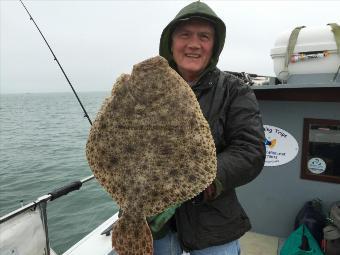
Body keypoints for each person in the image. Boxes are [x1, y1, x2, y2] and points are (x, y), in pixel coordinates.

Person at [148, 1, 266, 255]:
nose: (193, 44)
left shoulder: (235, 90)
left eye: (204, 36)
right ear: (171, 42)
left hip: (213, 226)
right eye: (185, 35)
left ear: (214, 45)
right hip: (153, 224)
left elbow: (249, 152)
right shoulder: (148, 89)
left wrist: (201, 181)